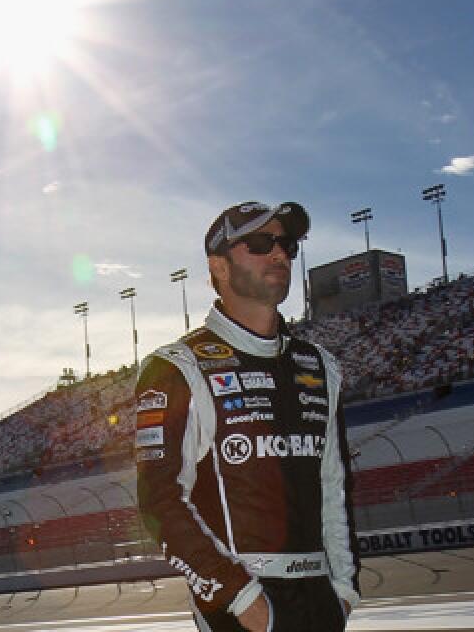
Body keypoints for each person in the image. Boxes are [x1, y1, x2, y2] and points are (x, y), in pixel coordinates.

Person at [136, 201, 360, 632]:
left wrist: (345, 590)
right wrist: (240, 597)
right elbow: (159, 500)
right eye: (260, 243)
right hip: (245, 600)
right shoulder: (178, 367)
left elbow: (334, 485)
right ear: (219, 266)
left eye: (286, 244)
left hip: (319, 598)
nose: (279, 254)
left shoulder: (320, 366)